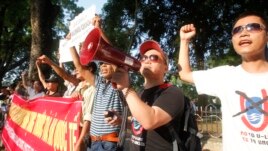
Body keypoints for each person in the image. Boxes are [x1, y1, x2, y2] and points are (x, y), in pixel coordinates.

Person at [178, 11, 268, 151]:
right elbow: (184, 74)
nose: (243, 33)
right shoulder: (225, 76)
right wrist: (184, 41)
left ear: (266, 35)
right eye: (237, 30)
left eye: (253, 27)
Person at [111, 40, 185, 151]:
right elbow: (138, 120)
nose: (147, 61)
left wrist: (126, 87)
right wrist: (121, 120)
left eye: (153, 58)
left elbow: (150, 121)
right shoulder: (139, 93)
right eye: (144, 58)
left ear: (165, 67)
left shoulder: (173, 92)